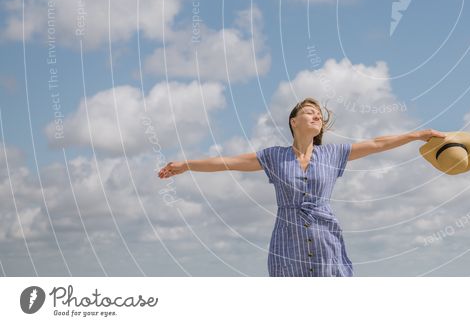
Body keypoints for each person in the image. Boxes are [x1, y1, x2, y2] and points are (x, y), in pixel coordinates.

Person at [157, 97, 446, 276]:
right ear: (293, 121)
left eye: (319, 113)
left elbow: (376, 143)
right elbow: (228, 161)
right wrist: (187, 164)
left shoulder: (333, 155)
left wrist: (416, 135)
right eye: (309, 111)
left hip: (325, 239)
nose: (316, 115)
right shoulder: (274, 156)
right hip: (287, 241)